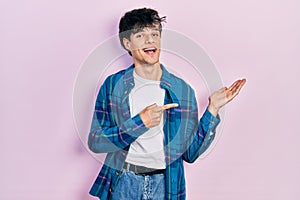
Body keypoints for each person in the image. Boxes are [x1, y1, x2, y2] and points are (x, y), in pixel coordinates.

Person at [88, 7, 246, 200]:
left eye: (155, 34)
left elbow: (190, 153)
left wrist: (212, 110)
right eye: (141, 35)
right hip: (124, 183)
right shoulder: (113, 85)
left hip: (165, 185)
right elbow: (96, 141)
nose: (150, 40)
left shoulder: (182, 91)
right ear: (127, 43)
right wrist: (140, 123)